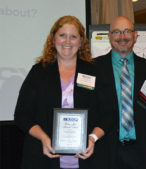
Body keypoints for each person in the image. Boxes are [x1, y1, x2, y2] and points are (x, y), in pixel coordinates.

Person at [14, 15, 104, 169]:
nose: (67, 41)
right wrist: (43, 137)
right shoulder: (39, 72)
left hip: (87, 160)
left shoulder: (93, 72)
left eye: (73, 36)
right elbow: (22, 115)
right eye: (62, 35)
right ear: (53, 38)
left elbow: (108, 112)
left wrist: (92, 138)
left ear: (81, 42)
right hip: (43, 159)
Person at [92, 16, 146, 169]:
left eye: (127, 31)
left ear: (135, 35)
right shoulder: (92, 68)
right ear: (109, 36)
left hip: (143, 152)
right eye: (117, 32)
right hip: (105, 152)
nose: (122, 37)